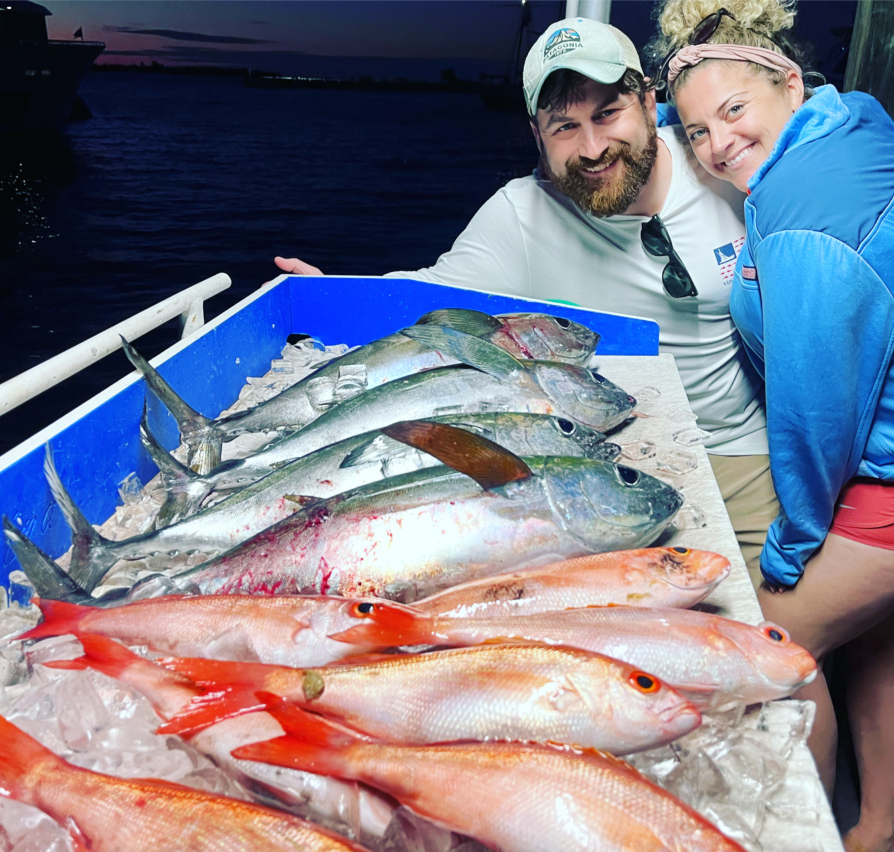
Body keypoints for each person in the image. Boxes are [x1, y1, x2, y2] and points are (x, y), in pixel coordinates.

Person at [275, 17, 780, 586]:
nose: (592, 148)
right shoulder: (522, 213)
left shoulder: (719, 167)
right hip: (605, 463)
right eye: (564, 126)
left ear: (646, 98)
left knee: (779, 648)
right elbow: (433, 303)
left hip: (743, 456)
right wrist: (330, 295)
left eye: (607, 114)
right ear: (537, 135)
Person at [657, 0, 894, 852]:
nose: (715, 147)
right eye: (696, 131)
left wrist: (791, 543)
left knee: (776, 646)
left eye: (733, 112)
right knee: (885, 658)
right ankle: (880, 833)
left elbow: (815, 418)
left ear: (787, 80)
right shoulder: (846, 122)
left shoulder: (810, 221)